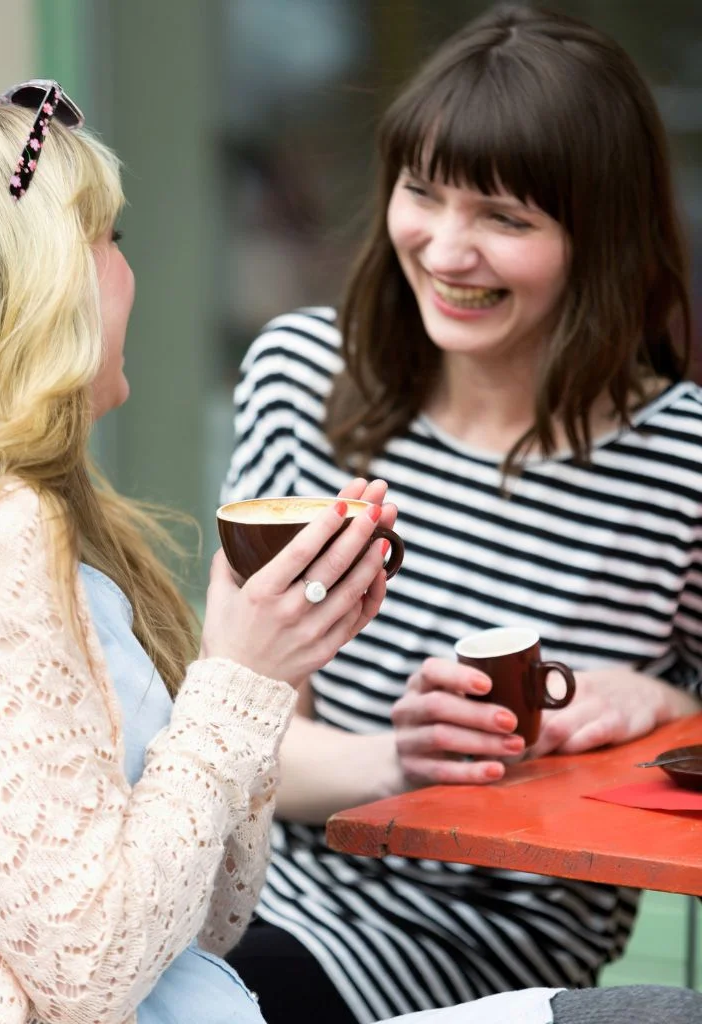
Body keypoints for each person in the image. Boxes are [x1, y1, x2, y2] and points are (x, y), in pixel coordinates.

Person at [222, 4, 702, 1023]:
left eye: (505, 218)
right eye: (423, 194)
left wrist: (662, 705)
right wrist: (403, 760)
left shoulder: (682, 461)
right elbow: (236, 719)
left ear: (599, 236)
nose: (445, 249)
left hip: (475, 945)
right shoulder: (304, 373)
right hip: (252, 889)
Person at [0, 82, 393, 1022]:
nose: (129, 274)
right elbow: (95, 970)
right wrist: (238, 680)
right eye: (110, 241)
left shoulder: (55, 523)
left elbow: (205, 922)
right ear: (44, 282)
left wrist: (259, 675)